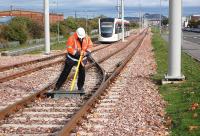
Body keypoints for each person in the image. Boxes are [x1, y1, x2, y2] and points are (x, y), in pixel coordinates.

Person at [54, 27, 93, 91]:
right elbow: (69, 48)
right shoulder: (71, 38)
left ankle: (80, 87)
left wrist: (87, 52)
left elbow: (90, 45)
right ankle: (57, 86)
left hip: (82, 59)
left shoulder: (87, 37)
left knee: (82, 73)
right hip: (72, 58)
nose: (81, 38)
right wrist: (76, 53)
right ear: (77, 34)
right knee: (65, 72)